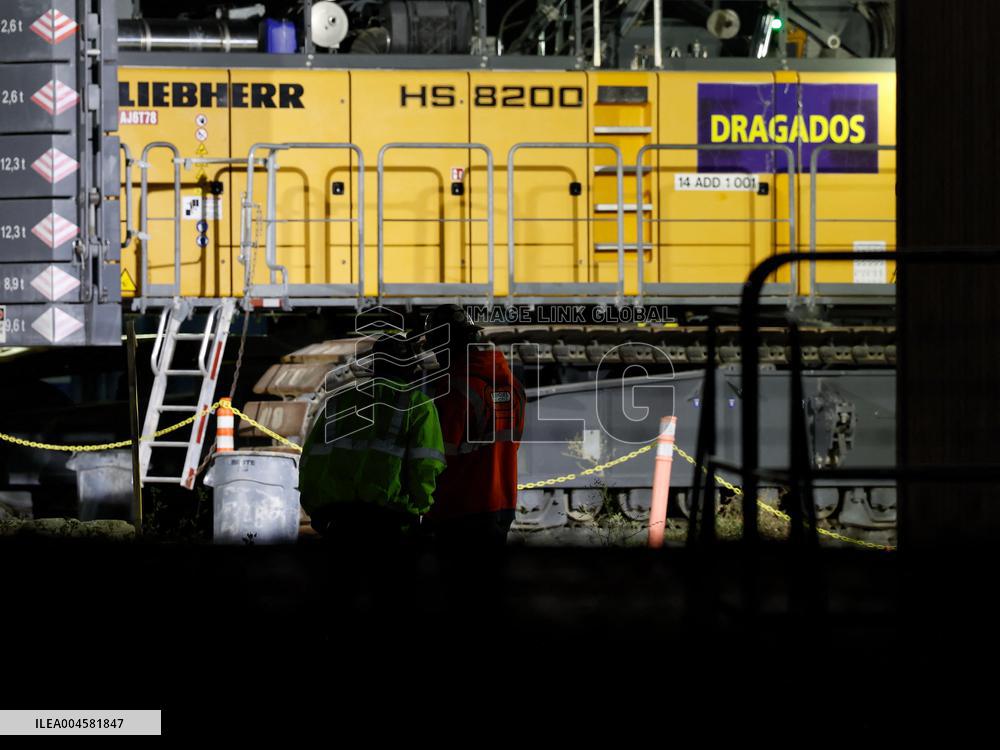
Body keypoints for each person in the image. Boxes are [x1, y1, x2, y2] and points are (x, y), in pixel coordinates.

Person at [298, 333, 446, 545]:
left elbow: (310, 461)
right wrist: (420, 509)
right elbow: (426, 465)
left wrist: (315, 510)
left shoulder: (338, 403)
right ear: (412, 367)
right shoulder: (419, 405)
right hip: (389, 520)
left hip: (338, 519)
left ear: (374, 364)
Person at [421, 304, 525, 550]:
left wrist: (427, 513)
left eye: (435, 345)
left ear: (447, 344)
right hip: (502, 504)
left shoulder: (454, 388)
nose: (435, 354)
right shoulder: (512, 384)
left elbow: (438, 457)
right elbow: (513, 443)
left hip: (460, 509)